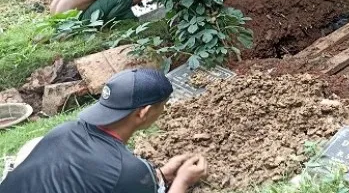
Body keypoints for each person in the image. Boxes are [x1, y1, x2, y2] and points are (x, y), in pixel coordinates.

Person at [0, 69, 207, 193]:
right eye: (163, 105)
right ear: (144, 112)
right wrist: (182, 181)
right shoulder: (126, 170)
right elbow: (119, 177)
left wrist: (159, 175)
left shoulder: (65, 130)